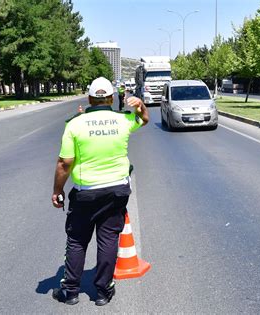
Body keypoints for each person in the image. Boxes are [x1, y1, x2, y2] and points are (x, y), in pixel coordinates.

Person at [51, 77, 149, 306]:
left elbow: (65, 163)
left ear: (89, 99)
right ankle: (103, 291)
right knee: (108, 239)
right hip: (116, 191)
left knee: (76, 240)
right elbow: (144, 120)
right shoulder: (123, 120)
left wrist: (57, 191)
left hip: (86, 193)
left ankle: (71, 291)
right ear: (112, 98)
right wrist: (140, 105)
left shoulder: (74, 124)